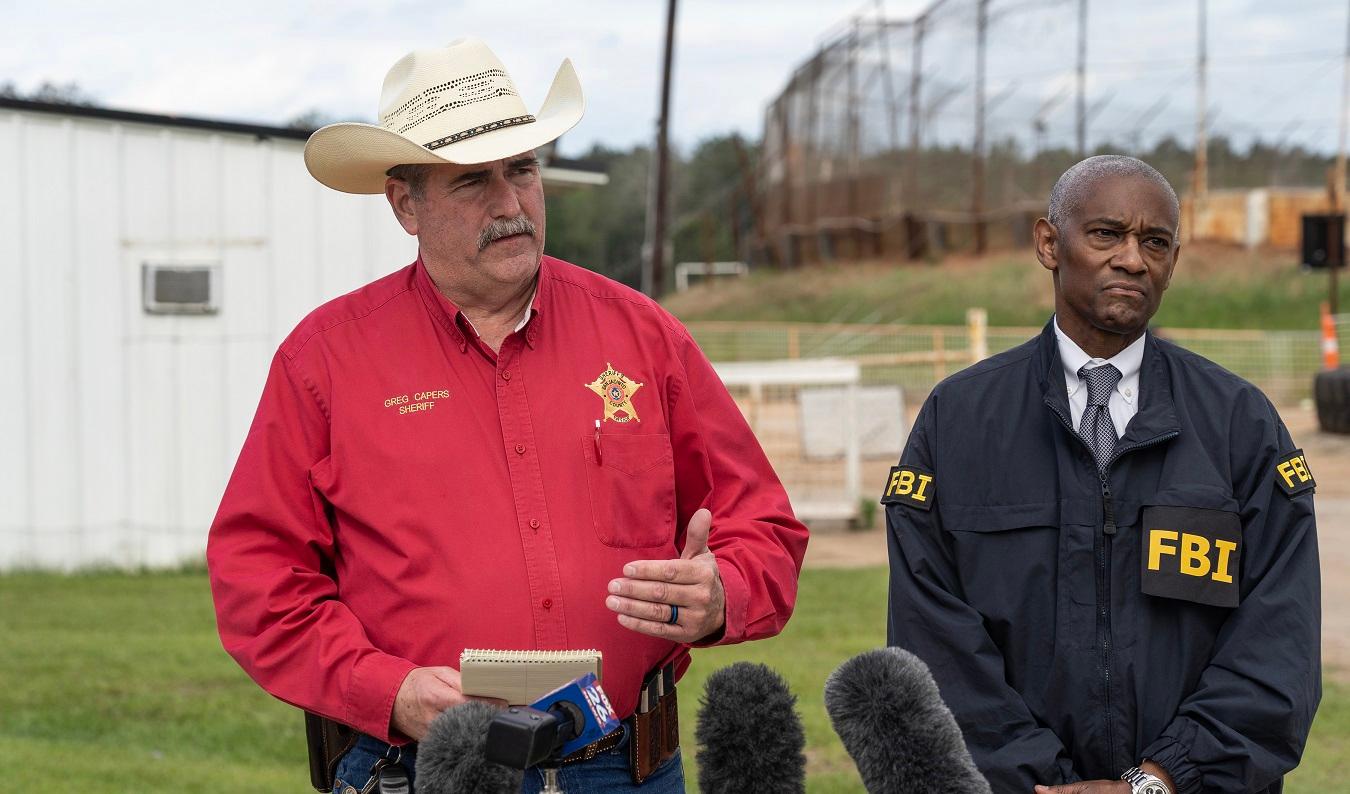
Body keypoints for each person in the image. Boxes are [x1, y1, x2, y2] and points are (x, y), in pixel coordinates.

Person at [207, 38, 808, 793]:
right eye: (471, 181)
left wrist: (723, 593)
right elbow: (257, 577)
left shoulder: (644, 336)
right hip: (422, 769)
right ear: (404, 205)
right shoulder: (324, 360)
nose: (509, 202)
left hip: (628, 767)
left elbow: (765, 527)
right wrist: (385, 689)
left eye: (522, 169)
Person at [884, 155, 1320, 794]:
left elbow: (1279, 640)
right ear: (1049, 244)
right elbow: (932, 644)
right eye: (1107, 234)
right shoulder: (958, 421)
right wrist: (1036, 782)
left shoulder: (1240, 424)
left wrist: (1162, 779)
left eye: (1155, 242)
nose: (1133, 259)